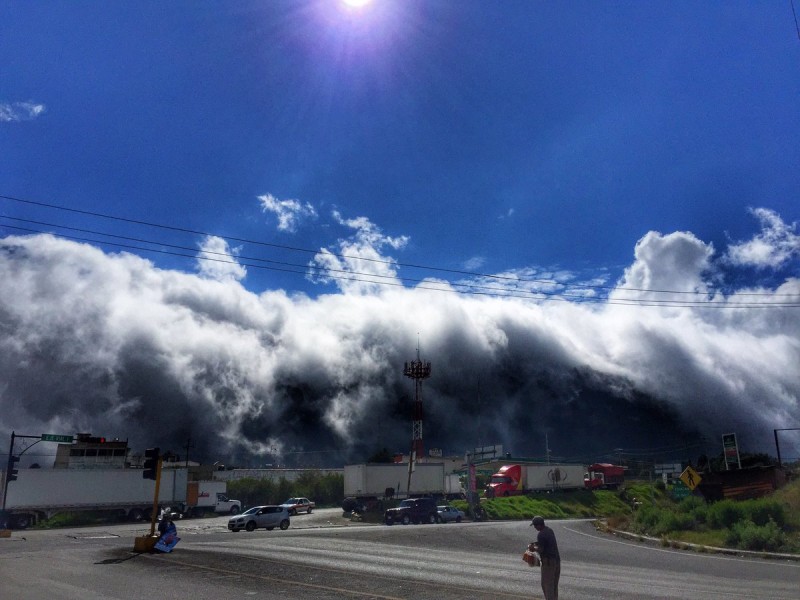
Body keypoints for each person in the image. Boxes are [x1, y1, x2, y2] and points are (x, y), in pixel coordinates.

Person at [530, 515, 560, 600]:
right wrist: (536, 543)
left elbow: (541, 550)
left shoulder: (541, 534)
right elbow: (546, 543)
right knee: (554, 585)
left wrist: (533, 548)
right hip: (556, 561)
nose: (535, 527)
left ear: (539, 525)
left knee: (547, 585)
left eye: (535, 525)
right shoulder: (550, 530)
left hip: (548, 563)